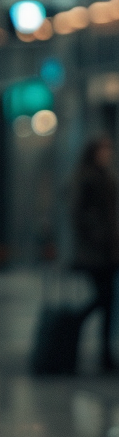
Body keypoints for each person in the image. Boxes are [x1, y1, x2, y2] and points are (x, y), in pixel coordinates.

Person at [71, 135, 119, 372]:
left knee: (107, 301)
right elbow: (79, 214)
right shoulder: (88, 178)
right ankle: (78, 328)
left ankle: (105, 354)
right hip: (94, 253)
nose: (107, 154)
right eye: (103, 150)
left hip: (107, 251)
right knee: (102, 299)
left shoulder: (104, 176)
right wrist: (98, 235)